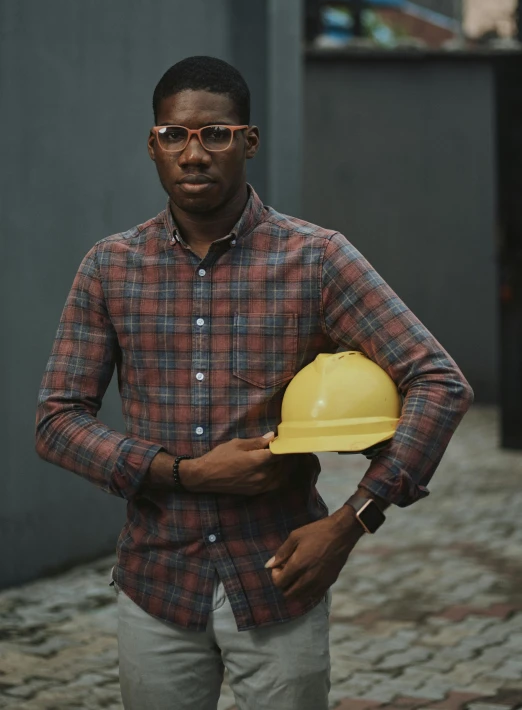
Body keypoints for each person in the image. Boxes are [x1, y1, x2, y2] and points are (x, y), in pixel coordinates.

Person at [35, 55, 474, 710]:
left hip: (281, 581)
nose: (194, 153)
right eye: (175, 135)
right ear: (153, 144)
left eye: (215, 134)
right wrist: (183, 473)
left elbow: (438, 382)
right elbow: (57, 421)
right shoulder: (110, 268)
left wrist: (352, 522)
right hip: (157, 585)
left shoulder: (317, 258)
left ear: (248, 141)